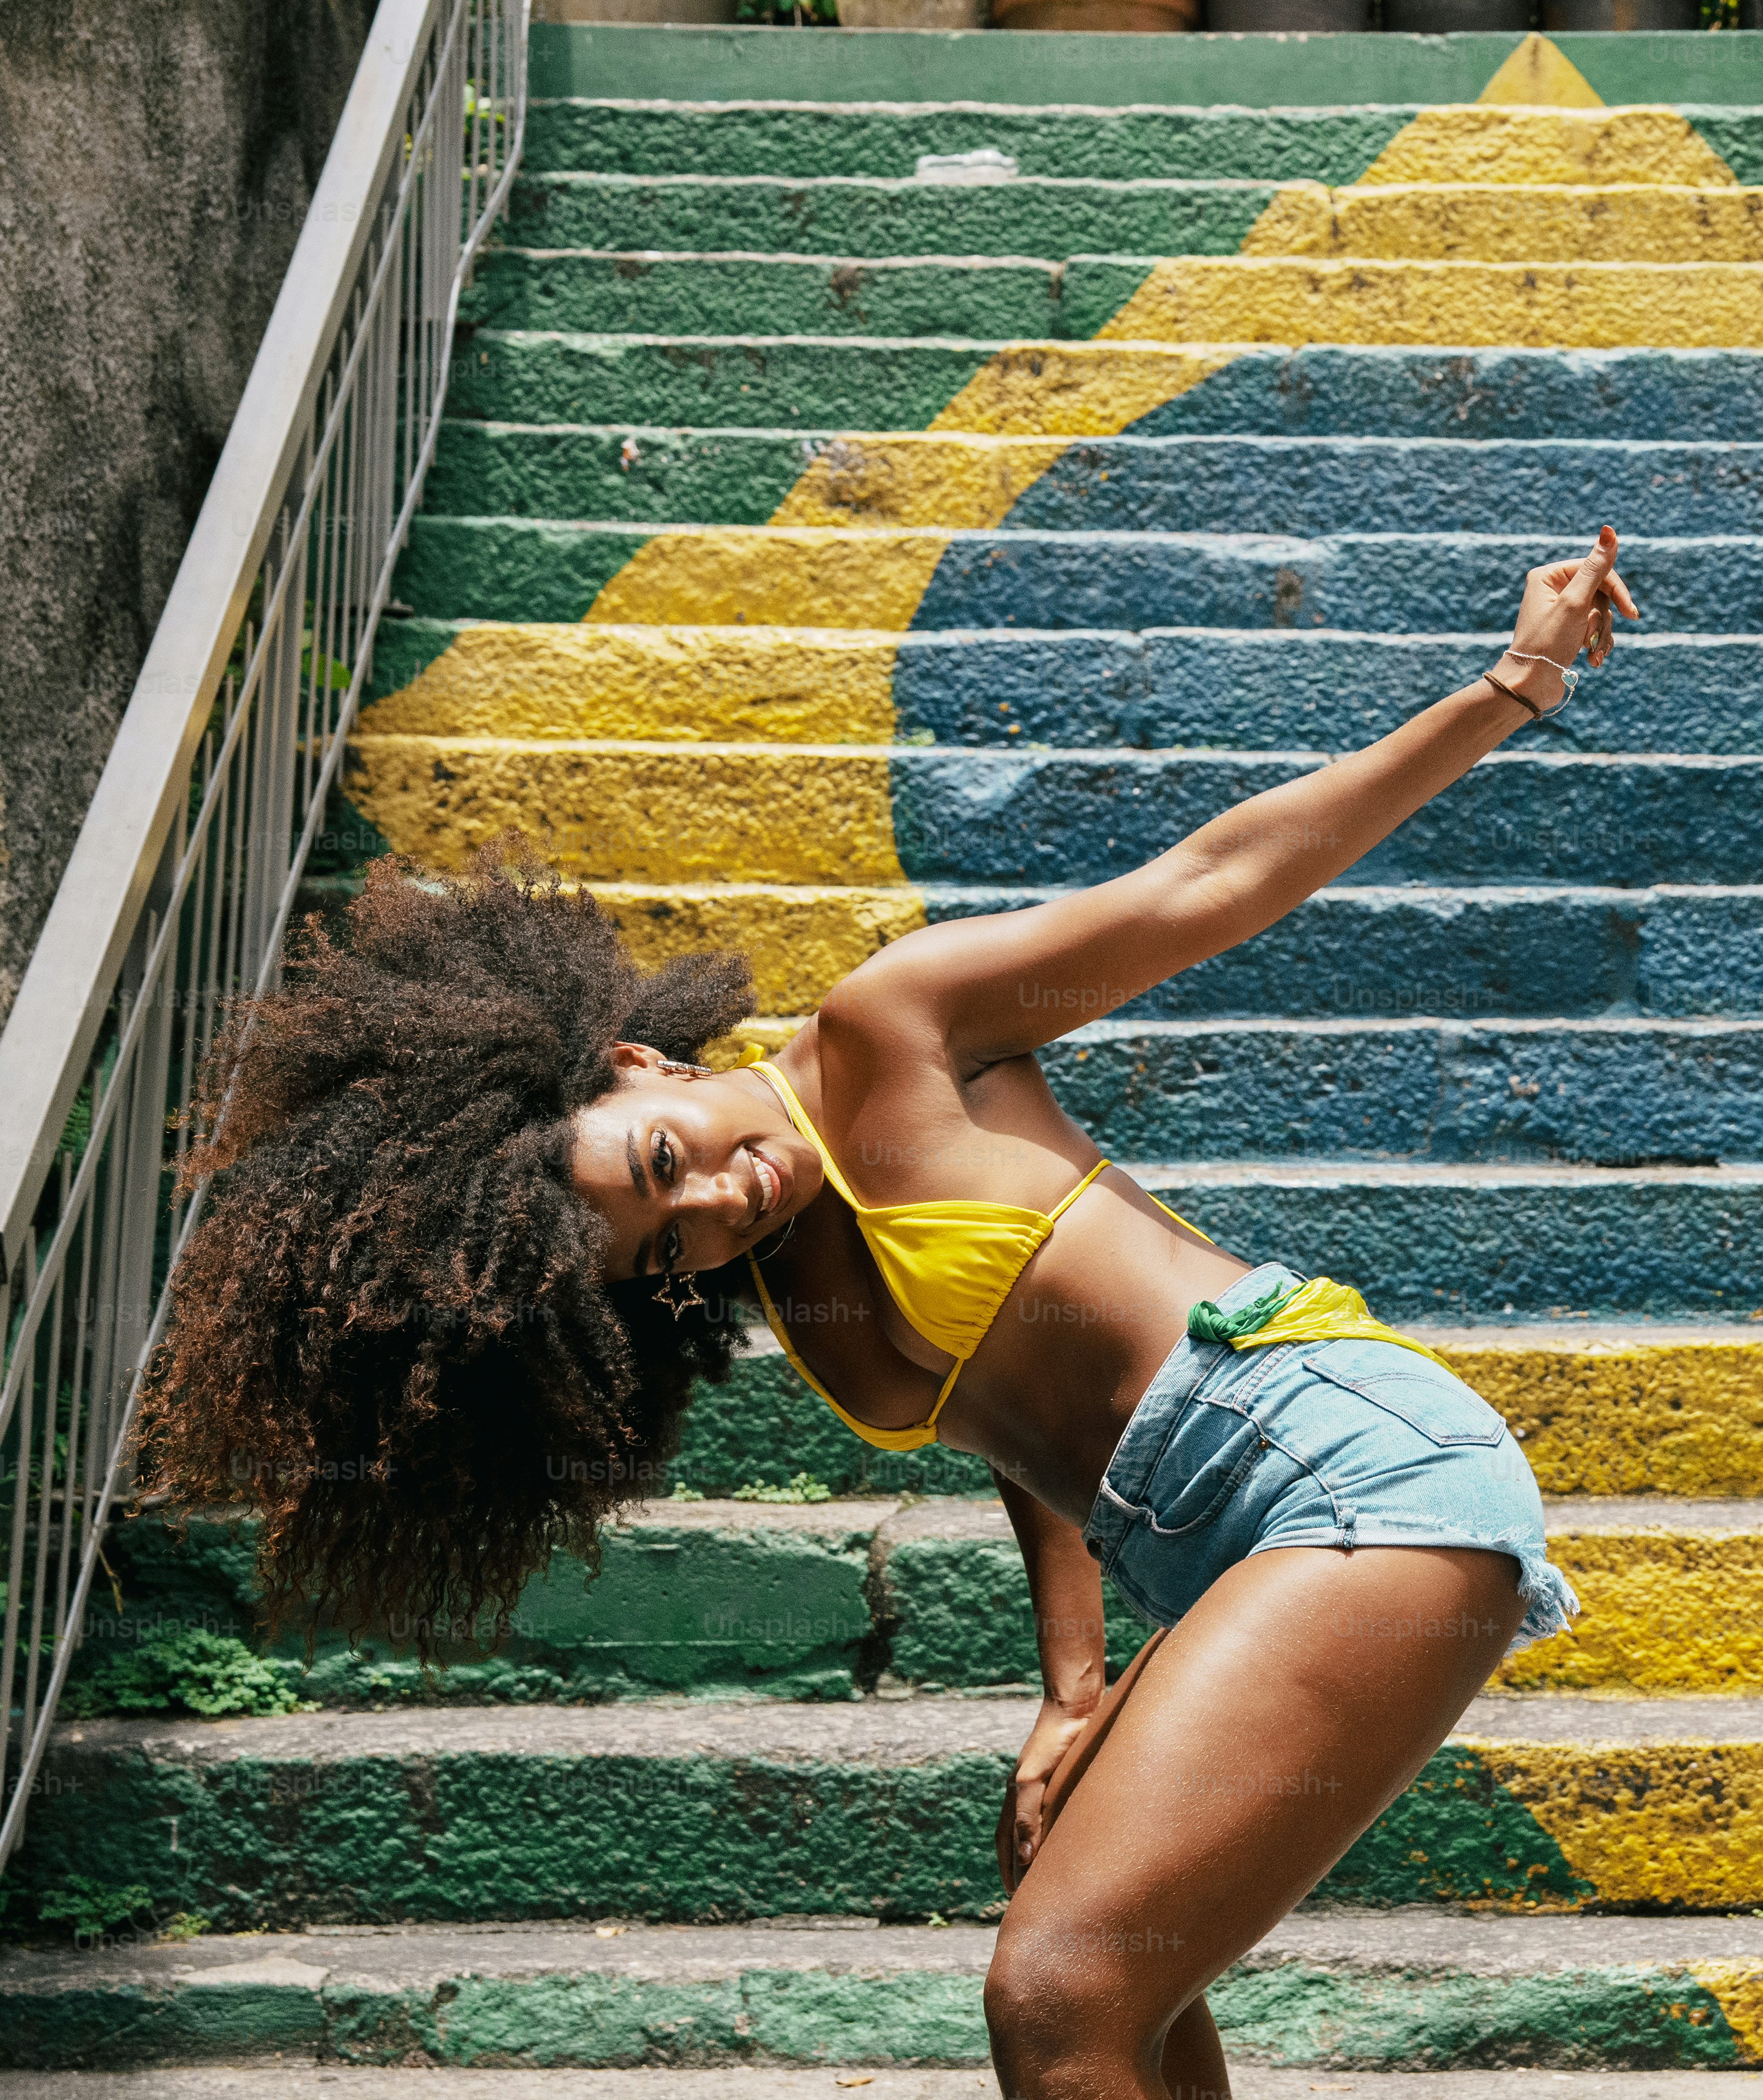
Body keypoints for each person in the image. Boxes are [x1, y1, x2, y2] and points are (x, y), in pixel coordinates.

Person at [140, 531, 1641, 2099]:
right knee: (1118, 1977)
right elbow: (1021, 1413)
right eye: (660, 1250)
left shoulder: (895, 1030)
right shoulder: (784, 1280)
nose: (714, 1205)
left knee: (1057, 1993)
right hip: (1201, 1532)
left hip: (1339, 1456)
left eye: (668, 1163)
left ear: (641, 1062)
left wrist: (1511, 682)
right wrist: (1072, 1685)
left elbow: (1213, 879)